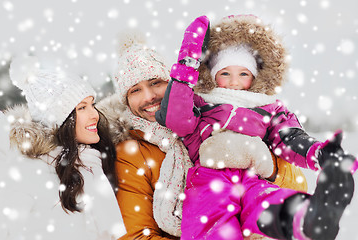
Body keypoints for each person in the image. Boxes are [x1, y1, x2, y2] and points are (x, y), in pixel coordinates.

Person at [155, 15, 357, 240]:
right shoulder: (201, 101)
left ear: (255, 76)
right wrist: (187, 64)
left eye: (243, 74)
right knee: (212, 220)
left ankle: (307, 218)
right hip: (210, 177)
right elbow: (176, 119)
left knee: (267, 202)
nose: (234, 82)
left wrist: (319, 153)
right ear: (213, 75)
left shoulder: (266, 106)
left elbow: (289, 137)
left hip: (254, 175)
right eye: (225, 74)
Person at [98, 31, 309, 239]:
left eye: (155, 83)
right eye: (135, 90)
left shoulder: (211, 118)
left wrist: (268, 165)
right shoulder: (131, 152)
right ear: (126, 100)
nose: (149, 97)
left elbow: (299, 184)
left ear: (171, 83)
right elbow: (138, 235)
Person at [0, 56, 126, 239]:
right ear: (59, 120)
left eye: (92, 105)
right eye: (81, 108)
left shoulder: (91, 162)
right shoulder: (34, 173)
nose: (94, 115)